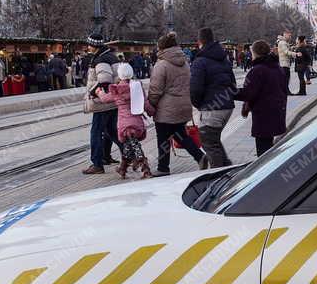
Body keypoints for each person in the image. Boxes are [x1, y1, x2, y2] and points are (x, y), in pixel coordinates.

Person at [149, 32, 206, 175]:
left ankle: (163, 168)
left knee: (163, 138)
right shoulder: (185, 62)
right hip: (183, 105)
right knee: (180, 135)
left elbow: (155, 90)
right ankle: (200, 157)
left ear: (161, 48)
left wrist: (151, 104)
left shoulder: (161, 65)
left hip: (166, 109)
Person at [189, 27, 237, 169]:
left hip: (212, 107)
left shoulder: (200, 61)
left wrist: (198, 104)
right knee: (213, 139)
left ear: (199, 42)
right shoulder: (224, 59)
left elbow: (195, 89)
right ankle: (226, 166)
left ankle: (218, 174)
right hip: (227, 106)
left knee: (208, 142)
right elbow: (233, 83)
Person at [95, 62, 152, 179]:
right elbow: (146, 104)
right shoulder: (137, 86)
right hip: (136, 123)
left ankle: (145, 169)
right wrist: (153, 112)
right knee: (128, 145)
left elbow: (106, 99)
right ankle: (123, 168)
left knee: (134, 146)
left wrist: (99, 92)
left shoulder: (117, 89)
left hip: (125, 124)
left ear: (119, 75)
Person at [235, 40, 287, 157]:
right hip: (277, 112)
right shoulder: (277, 68)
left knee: (263, 151)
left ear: (255, 53)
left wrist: (231, 92)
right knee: (269, 148)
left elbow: (248, 93)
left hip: (263, 115)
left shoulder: (257, 70)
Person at [83, 33, 120, 175]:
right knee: (112, 132)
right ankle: (132, 155)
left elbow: (104, 80)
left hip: (102, 103)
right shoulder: (111, 56)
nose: (88, 47)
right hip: (112, 101)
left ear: (95, 46)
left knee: (96, 133)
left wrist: (94, 92)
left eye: (89, 44)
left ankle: (97, 164)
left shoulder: (101, 59)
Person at [277, 30, 293, 94]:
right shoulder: (283, 43)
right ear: (285, 35)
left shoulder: (284, 42)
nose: (290, 37)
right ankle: (286, 91)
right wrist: (295, 54)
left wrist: (291, 48)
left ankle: (286, 91)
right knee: (286, 79)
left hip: (285, 63)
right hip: (284, 63)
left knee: (286, 79)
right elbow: (286, 52)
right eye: (289, 35)